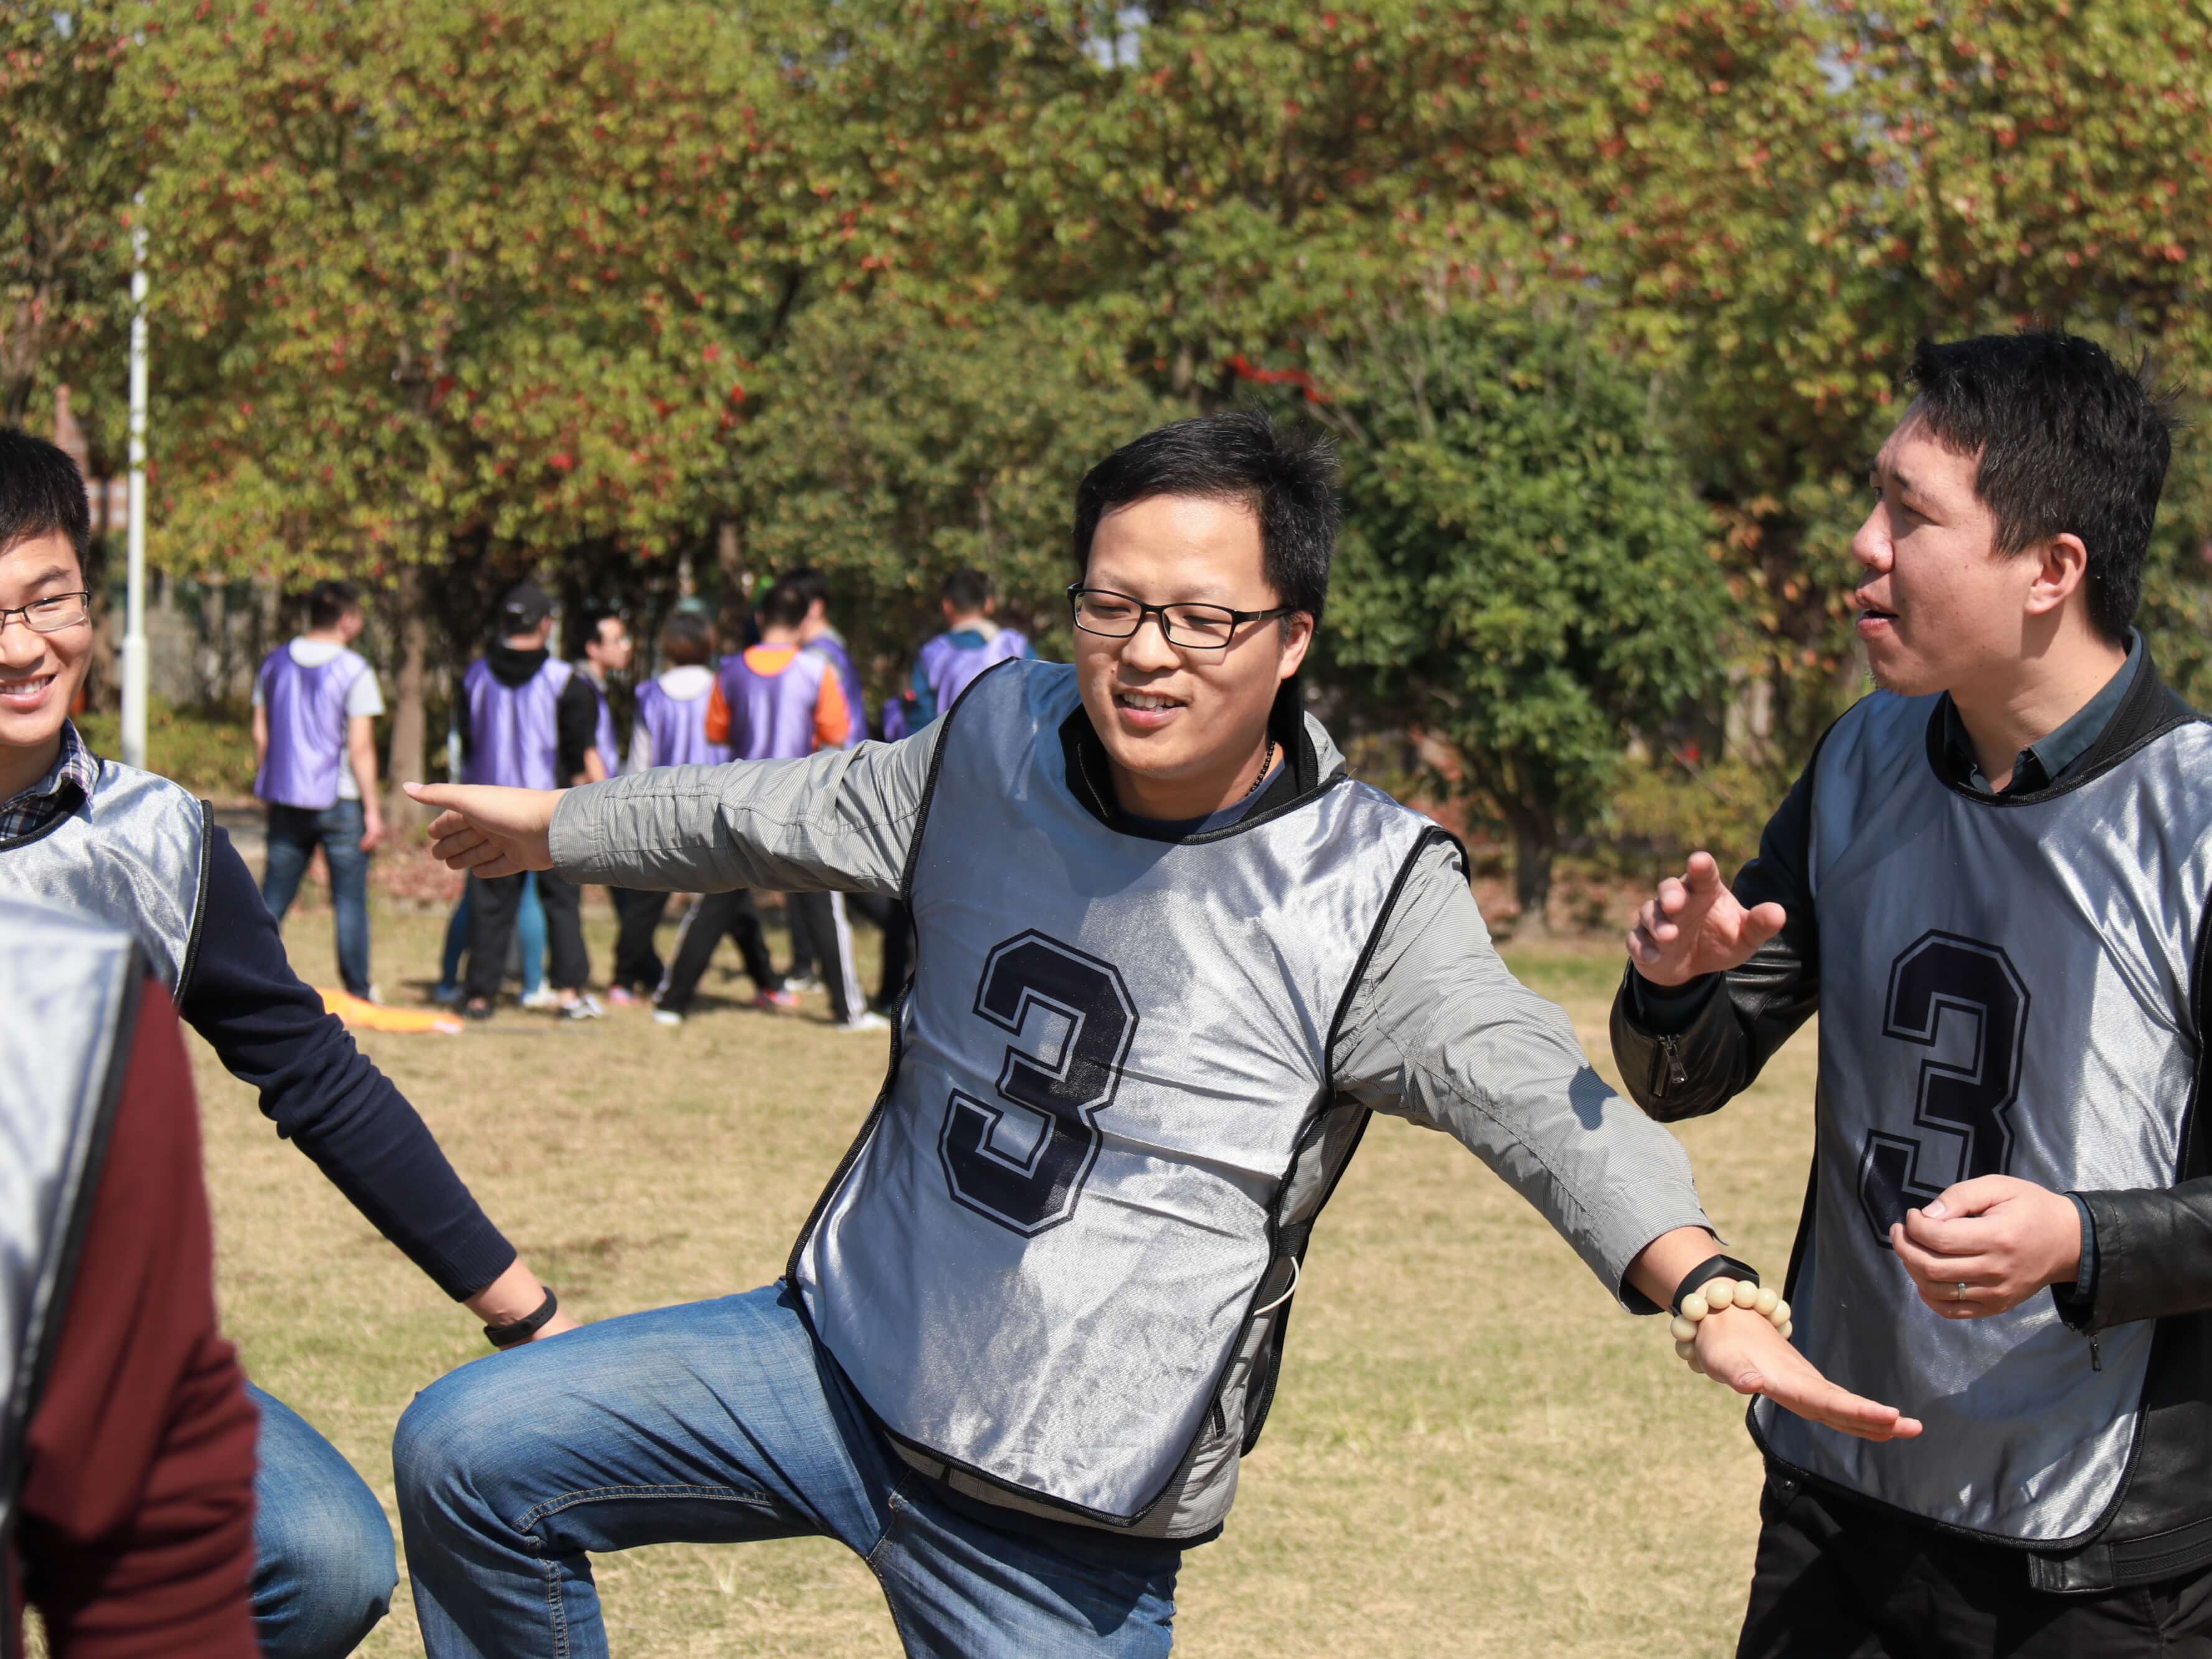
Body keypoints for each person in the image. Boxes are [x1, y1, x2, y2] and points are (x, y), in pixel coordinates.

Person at [399, 409, 1906, 1659]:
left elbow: (1529, 1090)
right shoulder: (994, 739)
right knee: (473, 1454)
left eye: (1203, 618)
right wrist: (551, 826)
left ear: (1292, 637)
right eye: (1110, 606)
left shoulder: (1369, 889)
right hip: (837, 1363)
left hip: (1064, 1512)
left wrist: (1701, 1278)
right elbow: (772, 810)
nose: (1145, 653)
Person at [1610, 332, 2212, 1657]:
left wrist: (2085, 1239)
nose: (1863, 544)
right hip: (1839, 1495)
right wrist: (1670, 989)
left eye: (1910, 513)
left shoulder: (2196, 822)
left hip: (2097, 1560)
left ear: (2052, 568)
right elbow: (1683, 1077)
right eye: (1873, 498)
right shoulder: (1861, 757)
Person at [0, 425, 577, 1659]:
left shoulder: (158, 841)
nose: (20, 645)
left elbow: (315, 1076)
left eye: (48, 599)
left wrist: (525, 1312)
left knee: (318, 1558)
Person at [4, 897, 258, 1657]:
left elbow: (150, 1550)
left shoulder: (57, 1007)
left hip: (92, 1382)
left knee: (321, 1554)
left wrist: (521, 1308)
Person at [681, 575, 884, 1033]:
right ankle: (846, 1011)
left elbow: (715, 732)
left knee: (716, 899)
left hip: (741, 794)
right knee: (823, 906)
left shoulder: (731, 669)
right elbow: (836, 733)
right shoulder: (816, 670)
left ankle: (672, 1000)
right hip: (800, 798)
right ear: (802, 622)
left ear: (760, 618)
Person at [456, 580, 605, 1021]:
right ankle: (569, 991)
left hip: (491, 808)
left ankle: (479, 995)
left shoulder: (474, 677)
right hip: (551, 809)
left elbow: (467, 744)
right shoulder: (566, 682)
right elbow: (578, 755)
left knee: (490, 902)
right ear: (546, 626)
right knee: (562, 901)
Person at [252, 577, 385, 1000]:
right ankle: (359, 990)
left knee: (272, 900)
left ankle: (249, 975)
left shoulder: (273, 663)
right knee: (349, 900)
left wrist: (265, 788)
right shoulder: (355, 670)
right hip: (340, 800)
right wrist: (373, 810)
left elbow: (261, 734)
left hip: (285, 795)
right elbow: (361, 747)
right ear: (347, 619)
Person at [786, 564, 912, 1008]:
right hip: (840, 774)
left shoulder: (820, 655)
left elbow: (827, 726)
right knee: (815, 875)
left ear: (815, 608)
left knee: (841, 879)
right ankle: (807, 965)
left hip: (835, 777)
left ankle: (908, 941)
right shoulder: (828, 649)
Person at [608, 610, 729, 1001]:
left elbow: (640, 759)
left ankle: (623, 979)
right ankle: (766, 980)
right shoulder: (722, 688)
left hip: (662, 808)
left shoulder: (651, 694)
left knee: (645, 901)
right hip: (714, 806)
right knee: (731, 897)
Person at [907, 565, 1034, 727]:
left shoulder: (933, 653)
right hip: (1013, 742)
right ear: (989, 603)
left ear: (947, 605)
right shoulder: (1015, 645)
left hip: (953, 742)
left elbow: (921, 717)